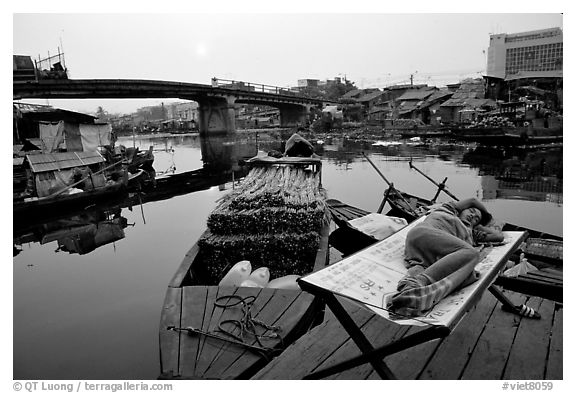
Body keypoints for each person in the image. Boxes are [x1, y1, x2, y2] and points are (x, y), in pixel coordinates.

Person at [387, 198, 503, 317]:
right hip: (424, 234)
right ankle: (420, 283)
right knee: (472, 254)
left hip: (427, 257)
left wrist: (480, 226)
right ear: (462, 209)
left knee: (462, 269)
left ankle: (411, 293)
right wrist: (488, 216)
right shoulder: (449, 210)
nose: (472, 216)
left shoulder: (471, 234)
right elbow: (473, 200)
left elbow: (499, 237)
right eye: (471, 211)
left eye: (476, 218)